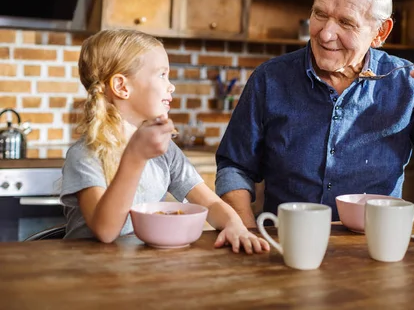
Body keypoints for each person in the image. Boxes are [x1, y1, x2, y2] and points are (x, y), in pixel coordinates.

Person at [216, 0, 414, 227]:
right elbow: (234, 167)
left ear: (380, 32)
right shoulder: (269, 79)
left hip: (375, 246)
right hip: (288, 245)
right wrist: (246, 231)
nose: (326, 33)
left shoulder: (406, 82)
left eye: (346, 22)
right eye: (320, 14)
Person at [60, 29, 269, 254]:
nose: (172, 86)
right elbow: (106, 232)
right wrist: (135, 157)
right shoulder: (86, 154)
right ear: (122, 86)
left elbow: (210, 203)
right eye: (162, 75)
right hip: (89, 273)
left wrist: (235, 225)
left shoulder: (166, 151)